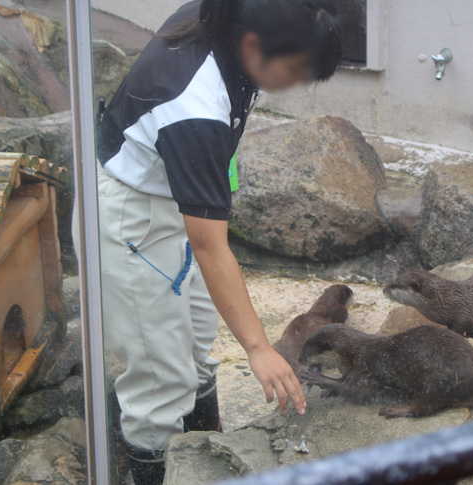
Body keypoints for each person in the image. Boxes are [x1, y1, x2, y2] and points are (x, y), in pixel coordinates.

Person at [92, 1, 341, 482]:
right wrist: (257, 347)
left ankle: (208, 455)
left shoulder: (227, 19)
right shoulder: (195, 107)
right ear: (254, 45)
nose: (297, 83)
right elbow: (211, 247)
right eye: (295, 69)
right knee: (161, 375)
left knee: (197, 345)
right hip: (132, 218)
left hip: (173, 195)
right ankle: (154, 464)